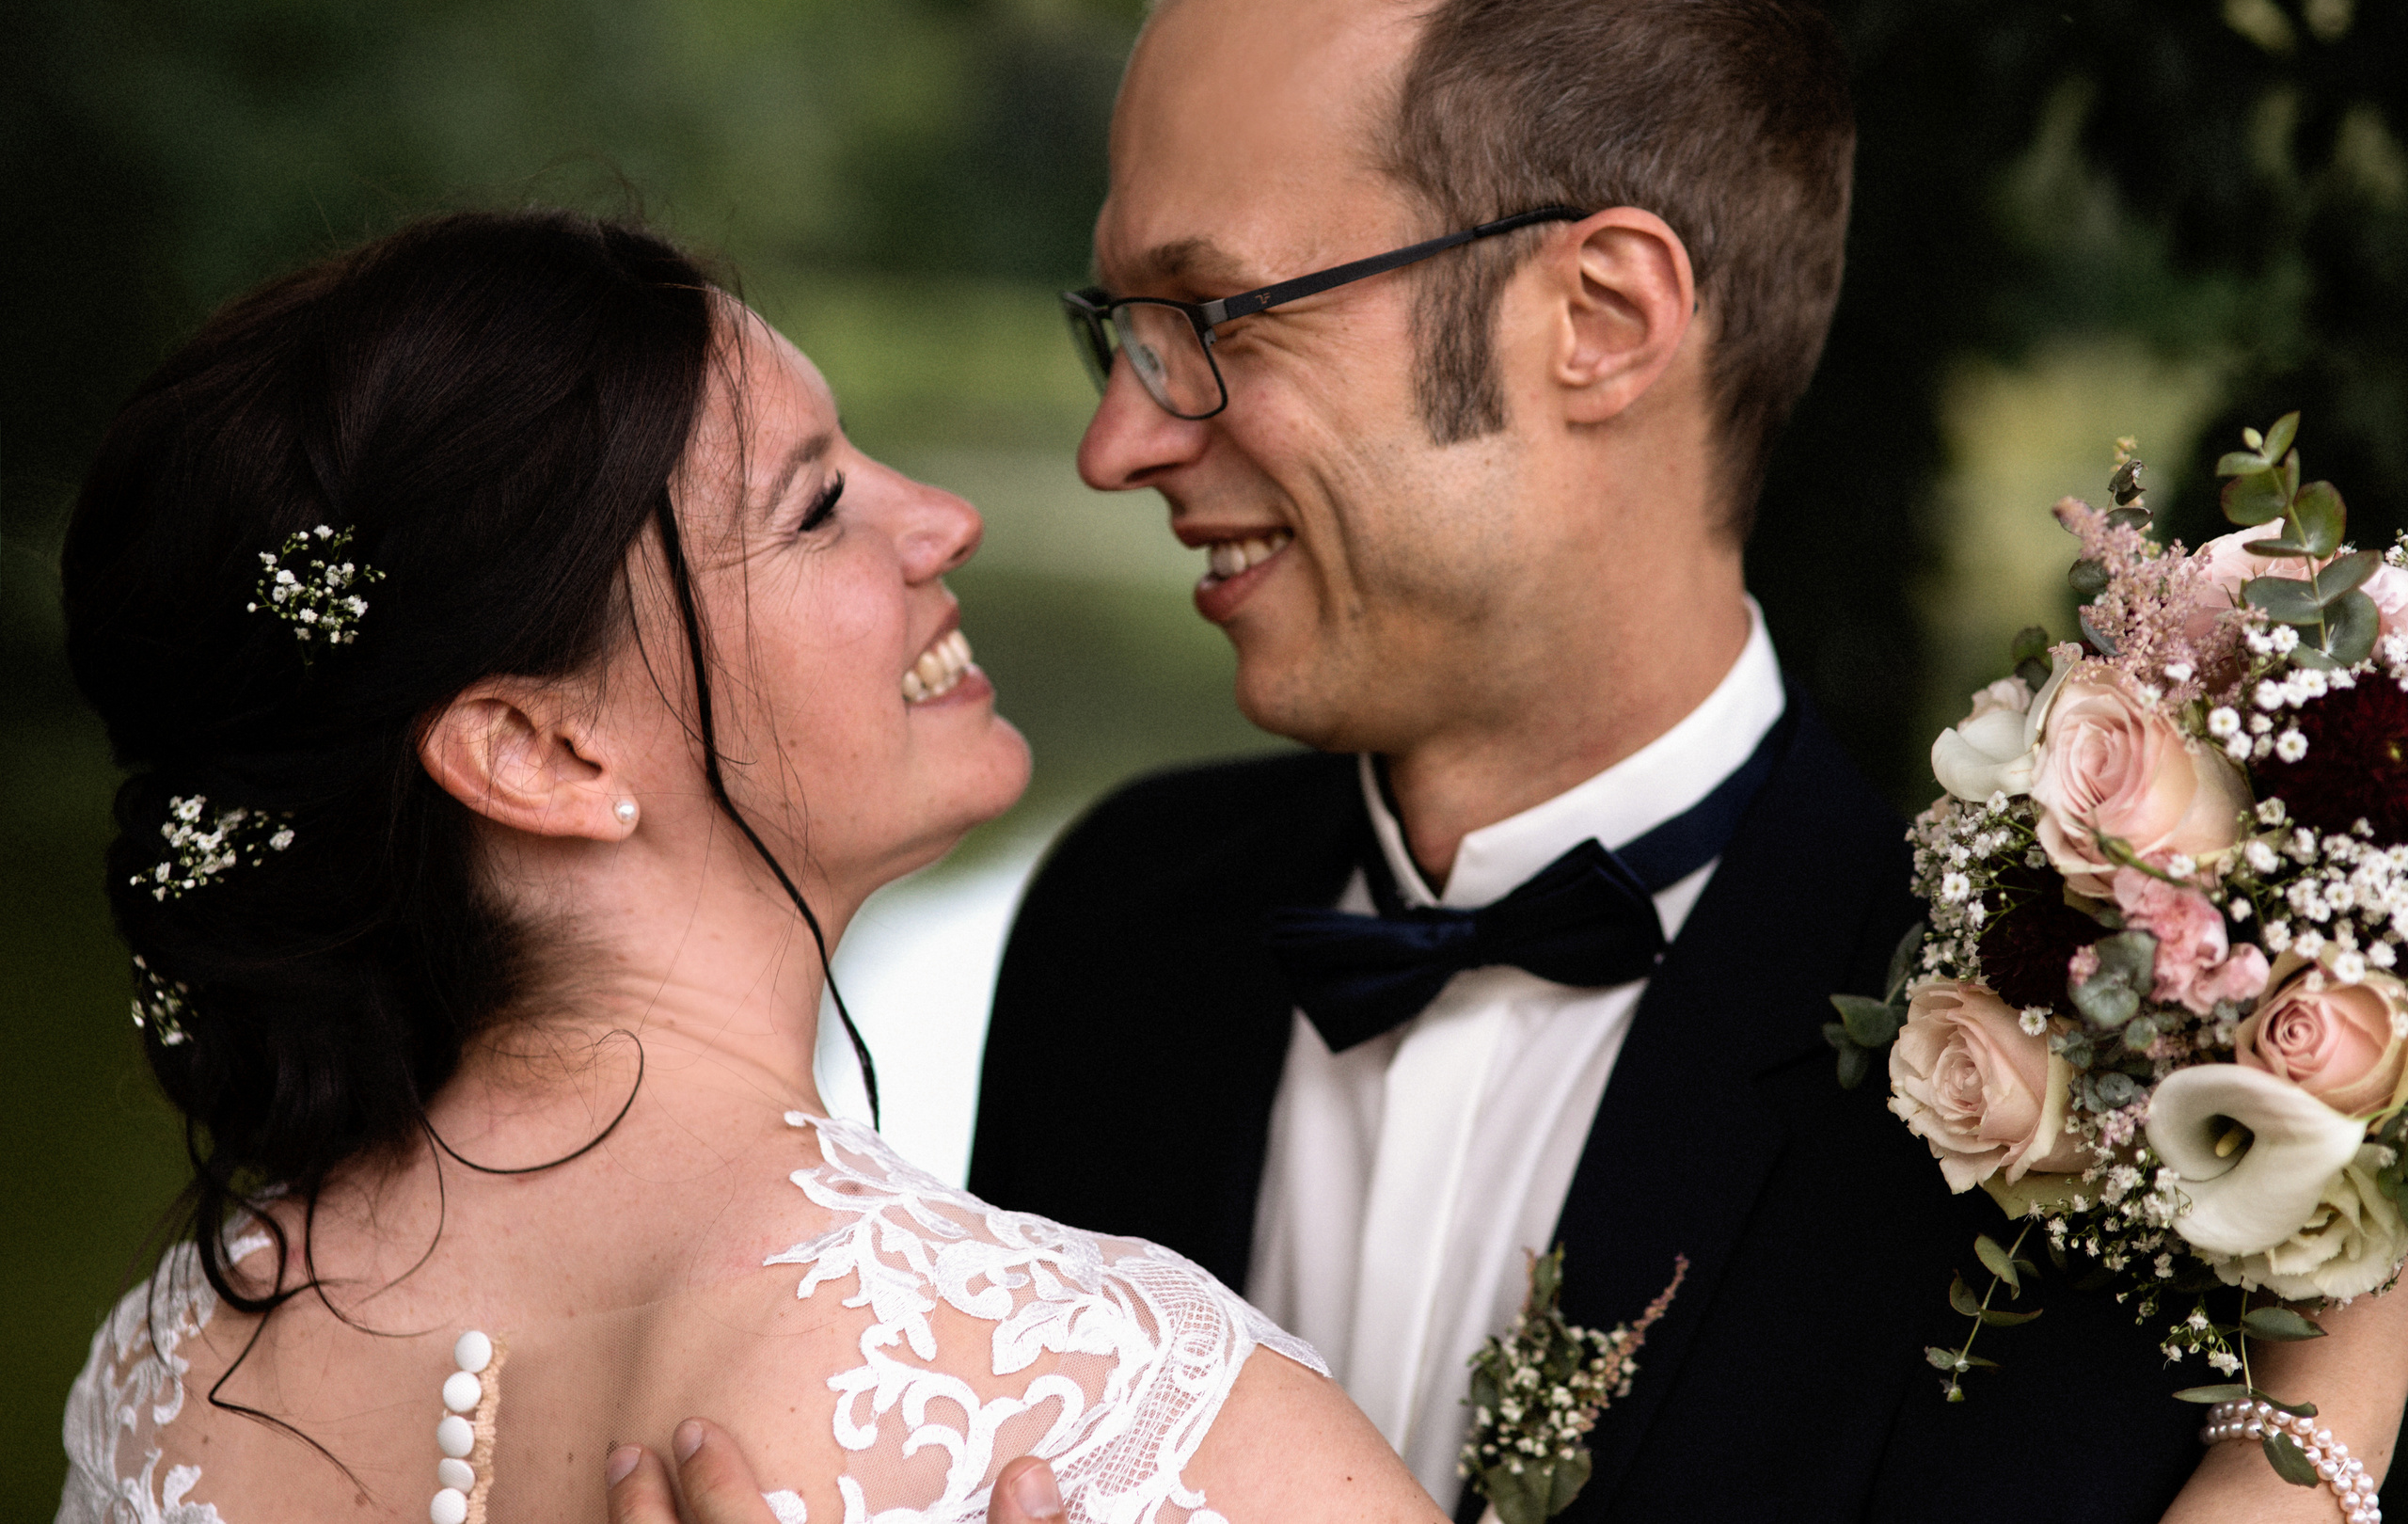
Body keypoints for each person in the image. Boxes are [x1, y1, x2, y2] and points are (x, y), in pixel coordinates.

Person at [966, 0, 2408, 1520]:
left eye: (1215, 316)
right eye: (1122, 327)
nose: (1117, 442)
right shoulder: (1109, 934)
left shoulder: (2055, 1103)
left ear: (1601, 316)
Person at [53, 210, 1445, 1524]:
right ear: (543, 751)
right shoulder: (1070, 1386)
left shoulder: (166, 1382)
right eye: (819, 501)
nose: (945, 519)